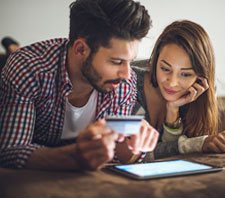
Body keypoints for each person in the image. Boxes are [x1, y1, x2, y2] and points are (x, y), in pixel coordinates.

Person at [0, 0, 159, 171]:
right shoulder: (29, 68)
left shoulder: (124, 83)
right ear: (81, 49)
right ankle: (12, 47)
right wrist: (75, 156)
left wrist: (136, 145)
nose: (127, 74)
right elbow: (10, 152)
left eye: (130, 61)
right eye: (117, 61)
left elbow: (119, 152)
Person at [132, 20, 225, 160]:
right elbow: (134, 155)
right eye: (165, 69)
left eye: (185, 74)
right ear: (155, 60)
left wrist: (172, 110)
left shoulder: (200, 92)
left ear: (200, 76)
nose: (172, 83)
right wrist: (193, 145)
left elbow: (171, 159)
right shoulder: (130, 83)